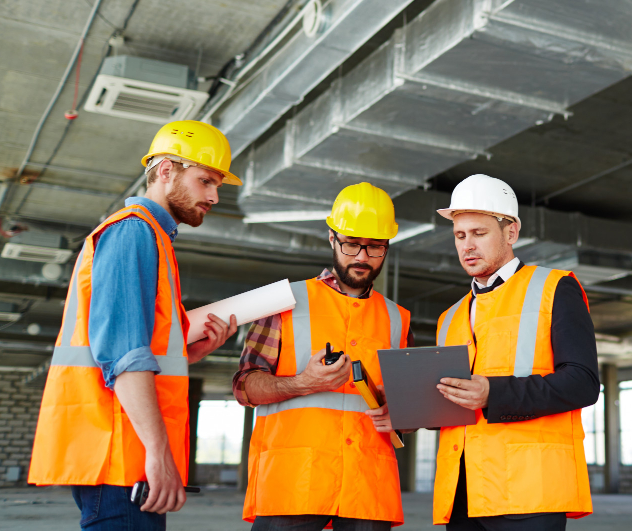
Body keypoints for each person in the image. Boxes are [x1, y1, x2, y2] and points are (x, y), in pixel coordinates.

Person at [29, 120, 241, 530]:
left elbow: (132, 346)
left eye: (217, 185)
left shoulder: (152, 238)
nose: (214, 196)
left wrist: (186, 354)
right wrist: (158, 453)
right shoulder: (133, 232)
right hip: (121, 456)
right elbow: (125, 356)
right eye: (205, 181)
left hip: (124, 452)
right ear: (165, 171)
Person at [235, 182, 413, 531]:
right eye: (351, 244)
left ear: (387, 247)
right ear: (332, 238)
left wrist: (401, 411)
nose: (362, 257)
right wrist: (303, 383)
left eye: (375, 247)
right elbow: (245, 387)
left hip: (368, 482)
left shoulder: (399, 318)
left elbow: (405, 403)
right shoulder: (285, 302)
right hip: (294, 479)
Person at [432, 174, 600, 531]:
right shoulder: (449, 317)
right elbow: (450, 403)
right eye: (460, 235)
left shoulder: (555, 288)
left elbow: (583, 383)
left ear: (511, 233)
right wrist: (406, 409)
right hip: (463, 492)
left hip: (529, 491)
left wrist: (494, 393)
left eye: (479, 233)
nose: (467, 246)